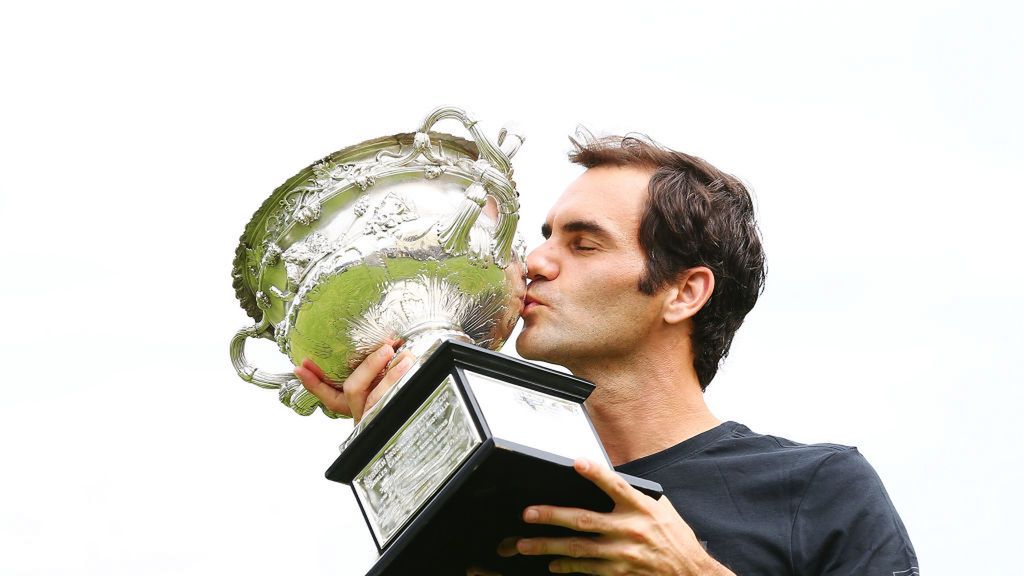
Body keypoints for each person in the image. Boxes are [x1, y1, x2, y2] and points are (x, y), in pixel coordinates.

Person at [296, 133, 919, 575]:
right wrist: (407, 437)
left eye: (584, 244)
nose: (535, 263)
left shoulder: (815, 489)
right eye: (544, 238)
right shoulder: (494, 489)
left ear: (683, 291)